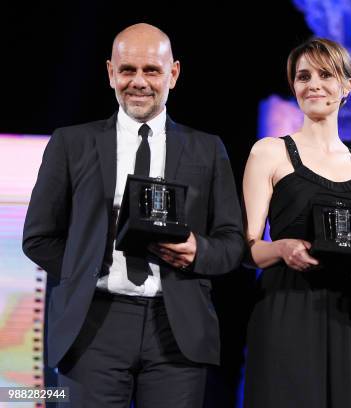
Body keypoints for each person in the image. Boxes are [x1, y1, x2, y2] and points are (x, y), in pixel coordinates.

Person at [22, 23, 244, 407]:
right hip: (92, 327)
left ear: (173, 74)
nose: (138, 82)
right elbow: (38, 237)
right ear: (110, 73)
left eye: (151, 70)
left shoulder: (207, 150)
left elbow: (232, 242)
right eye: (128, 70)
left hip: (178, 331)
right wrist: (89, 267)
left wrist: (197, 252)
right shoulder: (70, 143)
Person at [242, 38, 351, 407]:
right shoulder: (269, 151)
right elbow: (248, 248)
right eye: (303, 76)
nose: (313, 84)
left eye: (325, 74)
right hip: (285, 308)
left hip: (345, 315)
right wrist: (282, 248)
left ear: (347, 85)